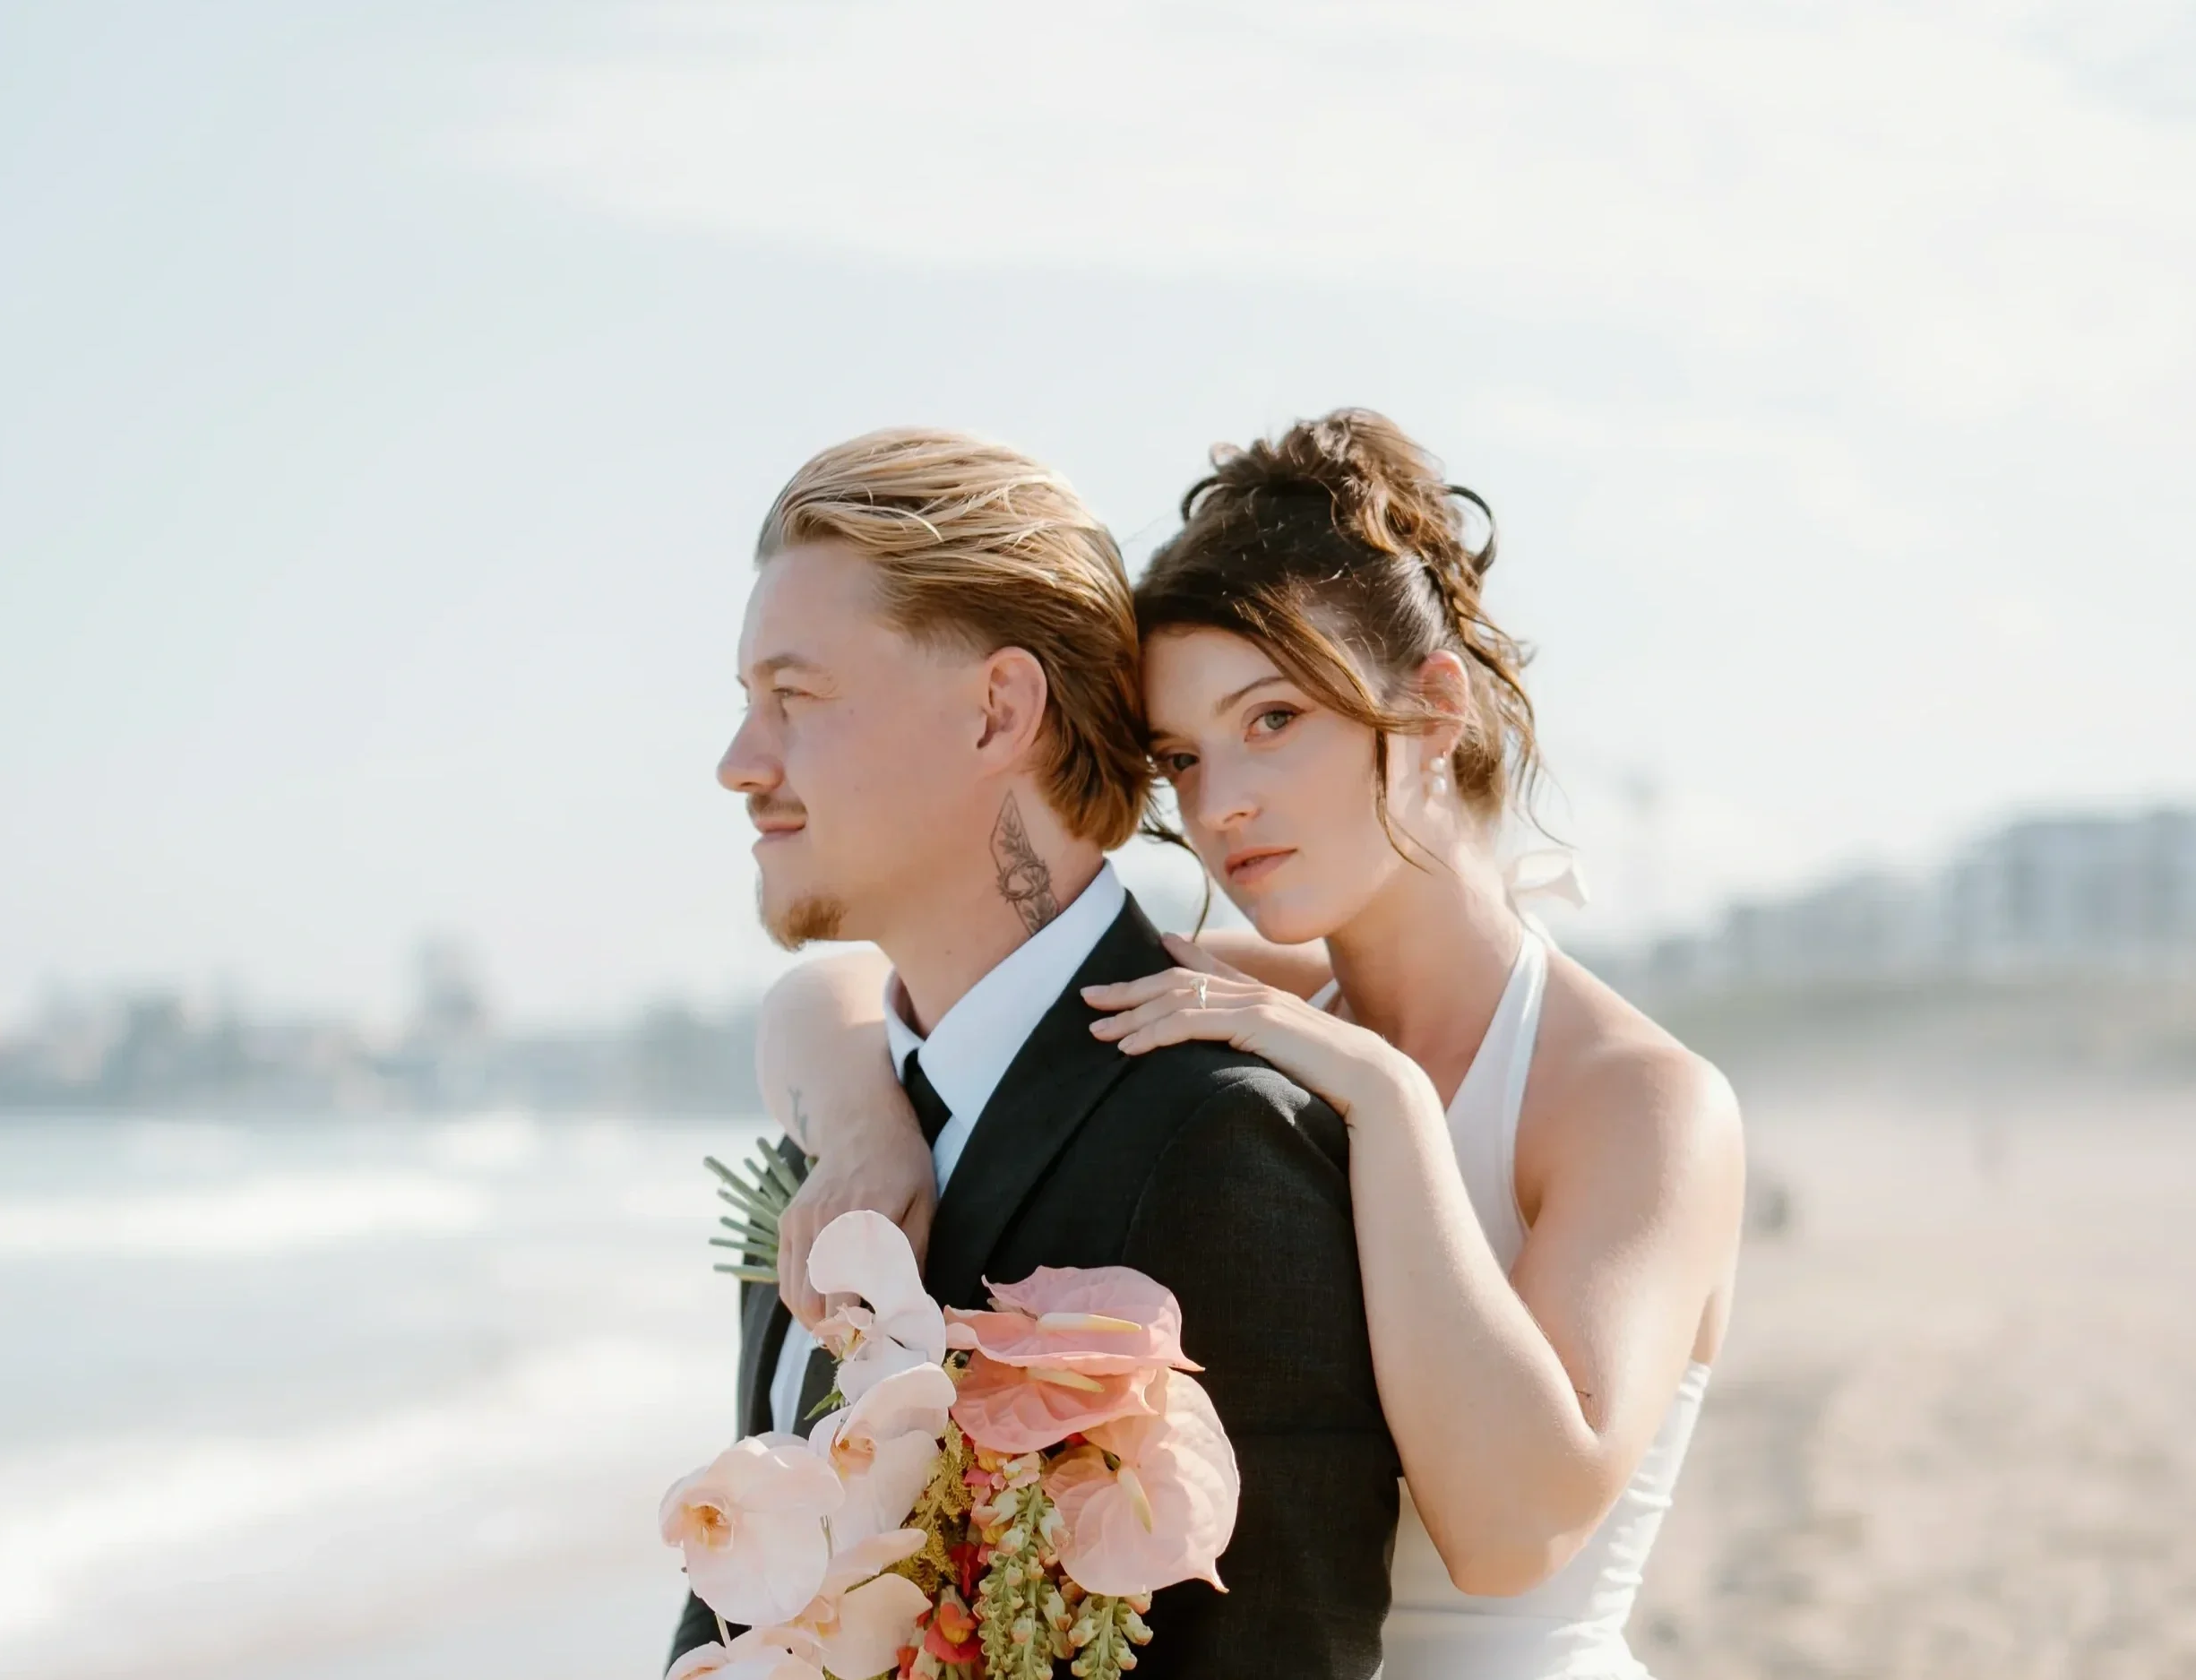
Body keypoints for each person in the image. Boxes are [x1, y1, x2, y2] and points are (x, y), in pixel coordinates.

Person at [758, 411, 1746, 1678]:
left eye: (1273, 719)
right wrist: (866, 1130)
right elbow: (831, 988)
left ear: (1431, 707)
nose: (1220, 804)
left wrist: (1390, 1102)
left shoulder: (1637, 1101)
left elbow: (1517, 1530)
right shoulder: (1254, 999)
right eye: (1182, 755)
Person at [672, 428, 1399, 1676]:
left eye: (794, 697)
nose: (741, 764)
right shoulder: (829, 1143)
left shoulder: (1218, 1140)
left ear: (997, 711)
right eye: (746, 703)